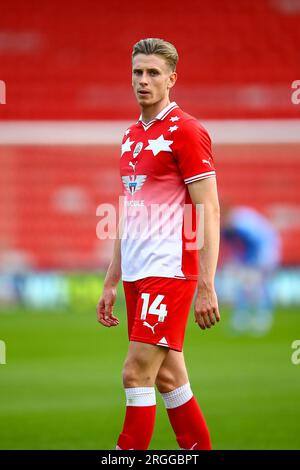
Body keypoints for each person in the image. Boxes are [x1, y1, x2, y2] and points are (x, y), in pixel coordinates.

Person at [96, 38, 220, 450]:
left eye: (152, 73)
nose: (143, 80)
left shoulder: (186, 130)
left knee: (135, 373)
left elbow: (209, 209)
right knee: (168, 377)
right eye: (137, 72)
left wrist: (206, 282)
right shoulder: (131, 136)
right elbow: (128, 212)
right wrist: (112, 280)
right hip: (137, 272)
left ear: (172, 79)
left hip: (169, 270)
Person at [221, 205, 281, 335]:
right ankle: (242, 317)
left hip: (266, 250)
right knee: (243, 286)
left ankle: (263, 317)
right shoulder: (226, 227)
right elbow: (230, 245)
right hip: (249, 254)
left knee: (259, 286)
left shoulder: (242, 224)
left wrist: (249, 264)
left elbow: (256, 243)